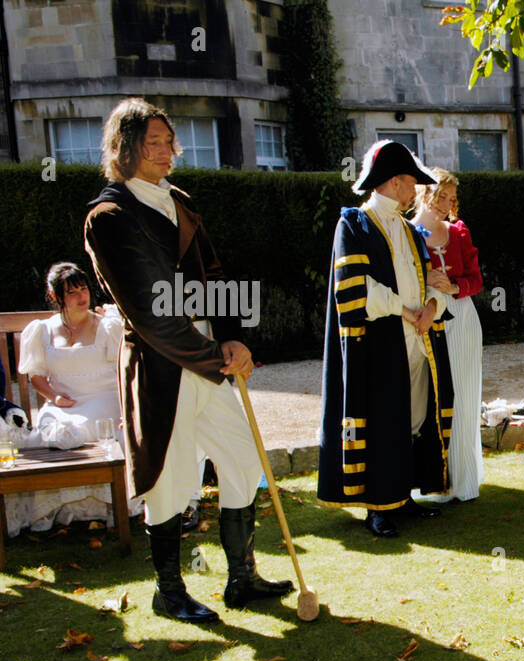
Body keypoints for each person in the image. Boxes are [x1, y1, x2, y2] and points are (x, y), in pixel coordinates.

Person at [84, 97, 291, 624]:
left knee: (244, 459)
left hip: (207, 362)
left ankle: (240, 579)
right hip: (162, 369)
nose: (166, 151)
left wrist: (234, 340)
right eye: (153, 142)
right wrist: (210, 355)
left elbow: (215, 277)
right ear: (124, 147)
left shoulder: (180, 201)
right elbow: (149, 312)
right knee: (172, 481)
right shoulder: (108, 216)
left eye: (169, 141)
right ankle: (169, 591)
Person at [318, 140, 454, 537]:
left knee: (411, 419)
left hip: (416, 340)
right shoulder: (354, 225)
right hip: (378, 343)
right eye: (412, 181)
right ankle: (377, 505)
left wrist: (430, 306)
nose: (416, 190)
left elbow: (425, 279)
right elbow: (354, 288)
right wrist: (402, 308)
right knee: (381, 421)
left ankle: (402, 494)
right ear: (395, 182)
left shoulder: (411, 231)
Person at [4, 262, 143, 536]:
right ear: (56, 297)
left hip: (104, 399)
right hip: (64, 403)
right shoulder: (42, 330)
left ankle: (107, 507)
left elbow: (127, 369)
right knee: (49, 430)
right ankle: (59, 510)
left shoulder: (106, 326)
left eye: (84, 288)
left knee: (89, 427)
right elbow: (37, 375)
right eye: (72, 292)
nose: (82, 297)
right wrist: (54, 397)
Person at [411, 170, 484, 501]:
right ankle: (434, 479)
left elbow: (476, 280)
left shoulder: (459, 232)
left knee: (464, 397)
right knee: (431, 400)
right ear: (427, 193)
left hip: (462, 320)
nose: (447, 204)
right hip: (424, 324)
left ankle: (464, 477)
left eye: (452, 199)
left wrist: (454, 287)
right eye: (442, 196)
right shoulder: (407, 233)